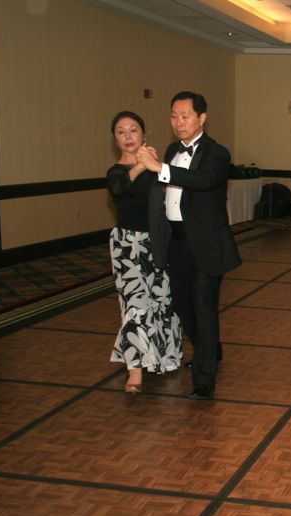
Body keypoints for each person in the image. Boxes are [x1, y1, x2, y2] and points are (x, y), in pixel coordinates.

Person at [136, 91, 241, 400]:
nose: (178, 122)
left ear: (201, 118)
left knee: (204, 308)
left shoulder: (217, 153)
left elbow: (202, 180)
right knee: (183, 307)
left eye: (184, 116)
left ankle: (204, 381)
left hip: (207, 243)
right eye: (173, 116)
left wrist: (159, 168)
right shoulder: (170, 150)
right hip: (177, 243)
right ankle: (211, 348)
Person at [106, 111, 182, 393]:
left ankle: (165, 358)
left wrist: (155, 165)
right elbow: (120, 188)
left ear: (144, 134)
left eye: (133, 130)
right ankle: (135, 370)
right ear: (115, 139)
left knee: (162, 301)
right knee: (135, 306)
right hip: (127, 245)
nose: (128, 136)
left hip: (158, 242)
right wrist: (140, 165)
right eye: (121, 132)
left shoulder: (158, 169)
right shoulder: (116, 172)